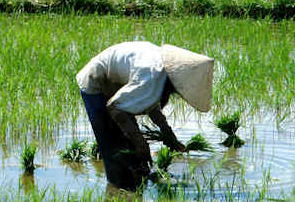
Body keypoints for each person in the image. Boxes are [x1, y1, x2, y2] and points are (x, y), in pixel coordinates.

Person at [76, 41, 214, 189]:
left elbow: (149, 100)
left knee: (134, 154)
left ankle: (136, 185)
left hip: (116, 91)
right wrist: (141, 144)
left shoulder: (161, 72)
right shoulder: (152, 73)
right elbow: (115, 108)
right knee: (113, 147)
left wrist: (166, 132)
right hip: (95, 84)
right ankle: (118, 190)